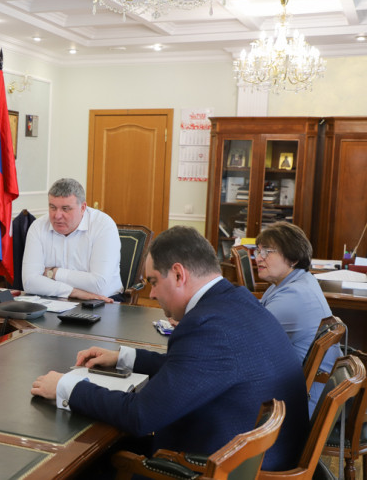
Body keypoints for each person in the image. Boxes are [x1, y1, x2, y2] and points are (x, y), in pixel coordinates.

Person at [31, 226, 308, 472]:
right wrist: (124, 357)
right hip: (255, 455)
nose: (151, 294)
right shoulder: (236, 300)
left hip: (219, 467)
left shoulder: (207, 325)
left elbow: (140, 416)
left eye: (153, 281)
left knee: (86, 465)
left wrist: (66, 387)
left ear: (178, 274)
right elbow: (195, 370)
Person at [256, 221, 341, 416]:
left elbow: (247, 339)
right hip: (296, 389)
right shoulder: (292, 282)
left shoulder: (294, 295)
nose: (258, 258)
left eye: (267, 251)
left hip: (300, 405)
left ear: (293, 258)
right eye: (258, 251)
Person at [22, 178, 122, 301]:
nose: (57, 216)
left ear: (83, 208)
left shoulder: (103, 225)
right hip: (54, 299)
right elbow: (29, 282)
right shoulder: (38, 226)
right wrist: (73, 292)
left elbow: (99, 285)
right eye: (53, 207)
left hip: (104, 301)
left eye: (65, 209)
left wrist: (53, 273)